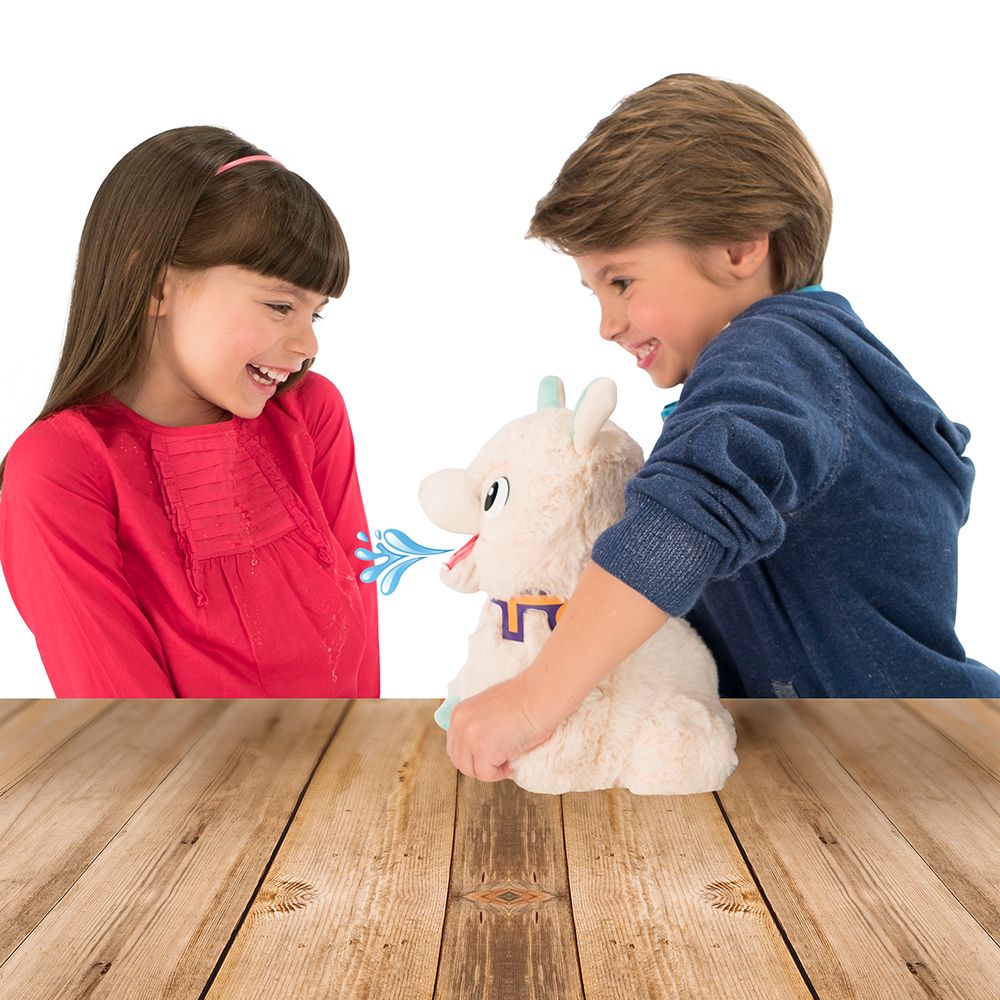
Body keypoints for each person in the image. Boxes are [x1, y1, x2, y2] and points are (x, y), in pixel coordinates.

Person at [444, 72, 1000, 783]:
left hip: (910, 771)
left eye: (622, 281)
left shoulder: (775, 352)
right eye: (594, 292)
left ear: (739, 247)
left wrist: (533, 699)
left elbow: (681, 524)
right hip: (847, 760)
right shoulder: (801, 374)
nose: (607, 324)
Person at [0, 126, 379, 697]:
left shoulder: (311, 414)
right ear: (153, 285)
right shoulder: (62, 467)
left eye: (316, 314)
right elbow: (128, 727)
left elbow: (363, 652)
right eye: (280, 305)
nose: (308, 345)